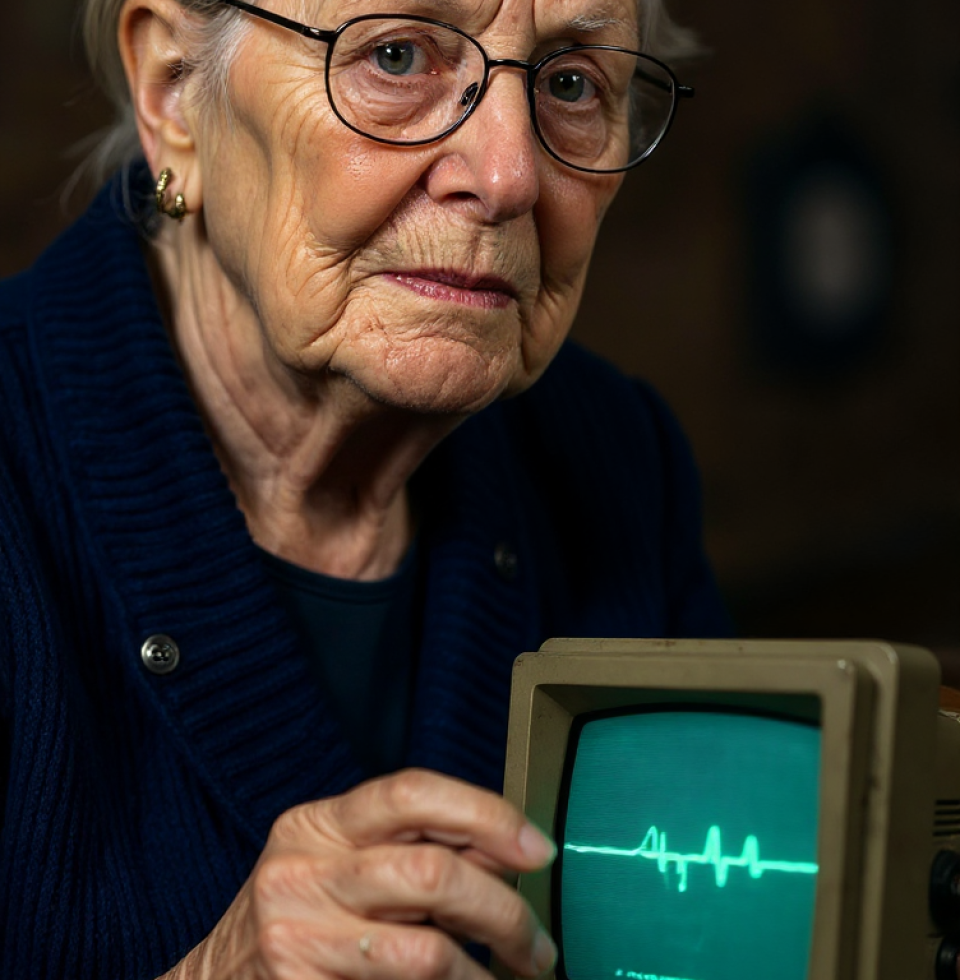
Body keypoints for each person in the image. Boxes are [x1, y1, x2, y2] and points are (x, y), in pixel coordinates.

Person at [0, 0, 730, 976]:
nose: (508, 176)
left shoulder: (615, 456)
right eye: (396, 57)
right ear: (173, 89)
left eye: (570, 84)